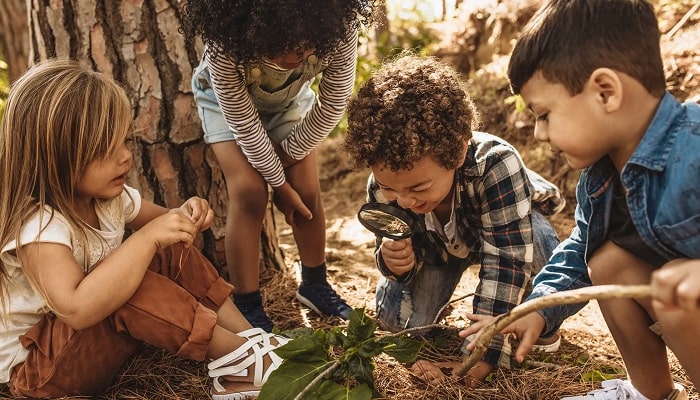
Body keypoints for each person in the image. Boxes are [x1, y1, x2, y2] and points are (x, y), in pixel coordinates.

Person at [0, 59, 290, 399]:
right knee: (129, 286)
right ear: (55, 158)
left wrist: (185, 214)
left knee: (167, 251)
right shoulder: (39, 227)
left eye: (124, 142)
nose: (125, 158)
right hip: (38, 374)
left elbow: (166, 224)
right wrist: (148, 239)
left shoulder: (108, 199)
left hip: (83, 348)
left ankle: (250, 341)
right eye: (105, 151)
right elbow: (78, 309)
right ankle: (240, 360)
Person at [461, 0, 700, 399]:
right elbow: (578, 253)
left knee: (677, 277)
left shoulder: (693, 146)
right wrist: (538, 308)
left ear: (605, 92)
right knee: (606, 259)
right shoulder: (599, 180)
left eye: (544, 114)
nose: (538, 133)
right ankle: (650, 393)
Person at [342, 53, 565, 386]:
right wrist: (395, 263)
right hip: (438, 252)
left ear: (458, 152)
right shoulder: (385, 185)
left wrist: (482, 354)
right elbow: (387, 243)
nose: (404, 201)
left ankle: (542, 322)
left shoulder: (496, 164)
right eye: (391, 189)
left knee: (545, 250)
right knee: (395, 320)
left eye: (418, 187)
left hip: (505, 229)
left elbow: (506, 259)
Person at [180, 0, 378, 332]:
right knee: (249, 191)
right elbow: (244, 125)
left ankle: (314, 284)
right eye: (276, 48)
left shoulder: (339, 29)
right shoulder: (224, 48)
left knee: (307, 190)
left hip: (289, 104)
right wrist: (278, 185)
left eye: (303, 49)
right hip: (225, 106)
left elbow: (333, 104)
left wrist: (286, 163)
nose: (291, 58)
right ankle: (247, 303)